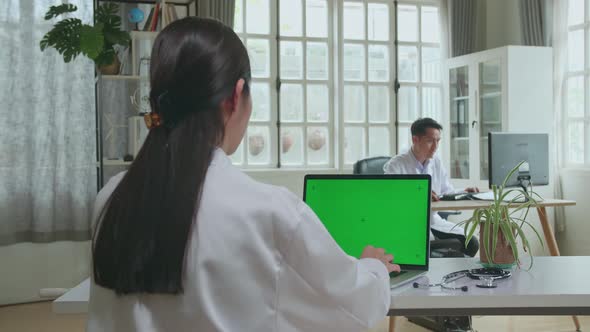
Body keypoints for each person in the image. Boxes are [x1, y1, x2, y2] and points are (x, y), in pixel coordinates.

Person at [87, 17, 400, 332]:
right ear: (236, 96)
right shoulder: (267, 211)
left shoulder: (111, 199)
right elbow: (354, 305)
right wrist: (373, 266)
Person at [383, 118, 479, 257]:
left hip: (433, 221)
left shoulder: (436, 161)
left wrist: (463, 191)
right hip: (408, 225)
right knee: (442, 252)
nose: (435, 146)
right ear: (415, 140)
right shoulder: (396, 165)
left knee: (471, 243)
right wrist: (420, 197)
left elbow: (446, 191)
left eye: (438, 141)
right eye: (430, 141)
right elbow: (389, 200)